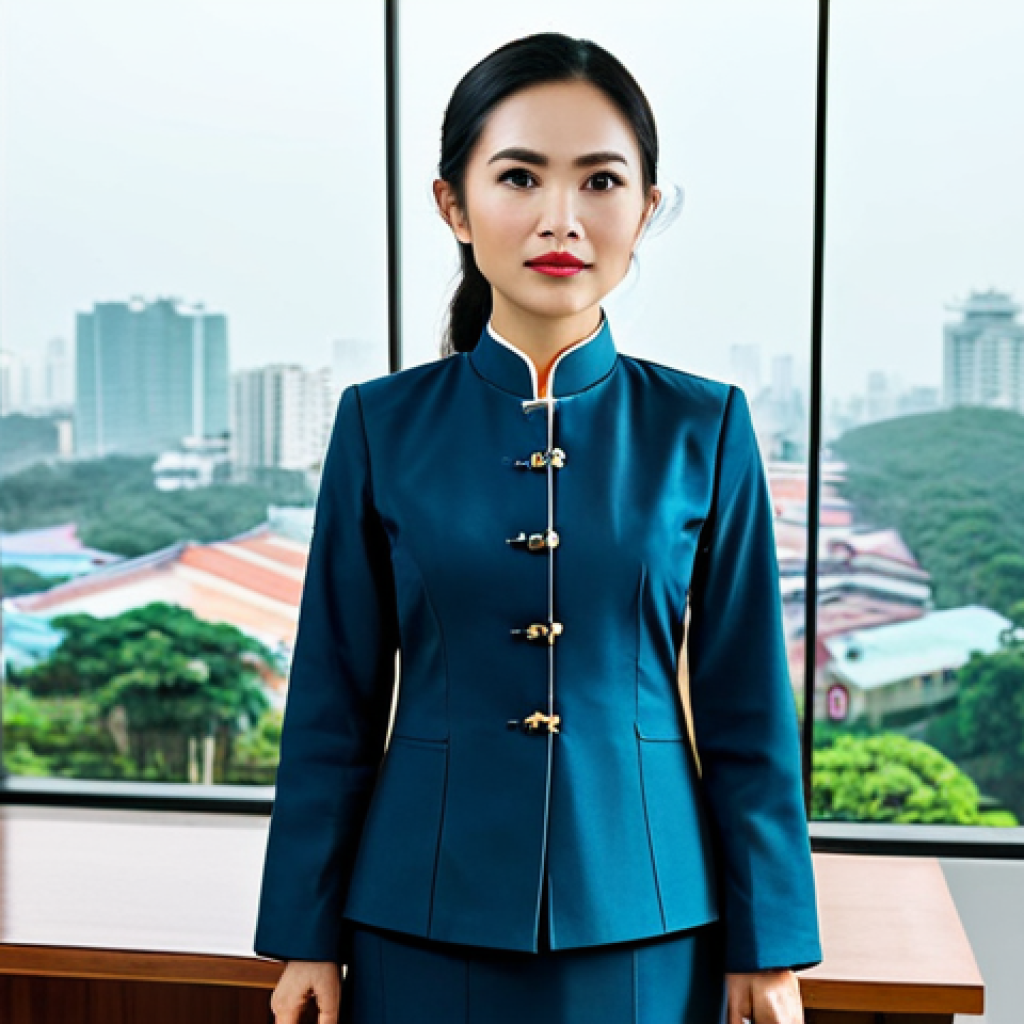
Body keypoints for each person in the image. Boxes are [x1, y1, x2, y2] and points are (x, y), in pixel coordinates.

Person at [254, 31, 822, 1024]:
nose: (561, 217)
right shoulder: (379, 425)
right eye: (519, 176)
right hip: (415, 912)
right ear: (453, 204)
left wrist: (768, 944)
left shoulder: (708, 426)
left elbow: (746, 711)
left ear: (644, 210)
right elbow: (333, 702)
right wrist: (303, 934)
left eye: (600, 181)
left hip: (649, 919)